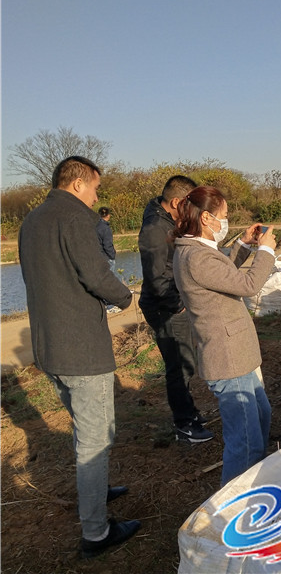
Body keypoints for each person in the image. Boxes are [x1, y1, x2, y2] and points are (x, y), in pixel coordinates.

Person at [18, 156, 140, 558]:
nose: (95, 196)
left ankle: (96, 490)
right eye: (95, 188)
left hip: (50, 348)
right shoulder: (74, 218)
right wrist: (126, 297)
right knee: (95, 439)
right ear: (77, 184)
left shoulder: (32, 220)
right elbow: (95, 274)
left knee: (83, 429)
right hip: (81, 351)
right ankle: (96, 533)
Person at [171, 186, 276, 486]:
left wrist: (243, 243)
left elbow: (222, 273)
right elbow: (247, 285)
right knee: (246, 443)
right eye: (224, 215)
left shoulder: (196, 251)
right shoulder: (196, 257)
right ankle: (233, 505)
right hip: (228, 360)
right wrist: (266, 250)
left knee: (261, 416)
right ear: (206, 218)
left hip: (236, 356)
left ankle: (252, 487)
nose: (225, 221)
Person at [138, 176, 213, 443]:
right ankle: (184, 424)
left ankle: (189, 412)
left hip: (172, 303)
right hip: (165, 308)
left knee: (186, 362)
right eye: (189, 203)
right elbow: (157, 277)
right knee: (179, 365)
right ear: (176, 202)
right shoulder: (155, 229)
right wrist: (178, 305)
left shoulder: (167, 221)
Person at [96, 206, 116, 271]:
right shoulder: (106, 228)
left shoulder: (95, 226)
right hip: (107, 258)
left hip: (98, 257)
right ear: (108, 215)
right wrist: (112, 256)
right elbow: (107, 245)